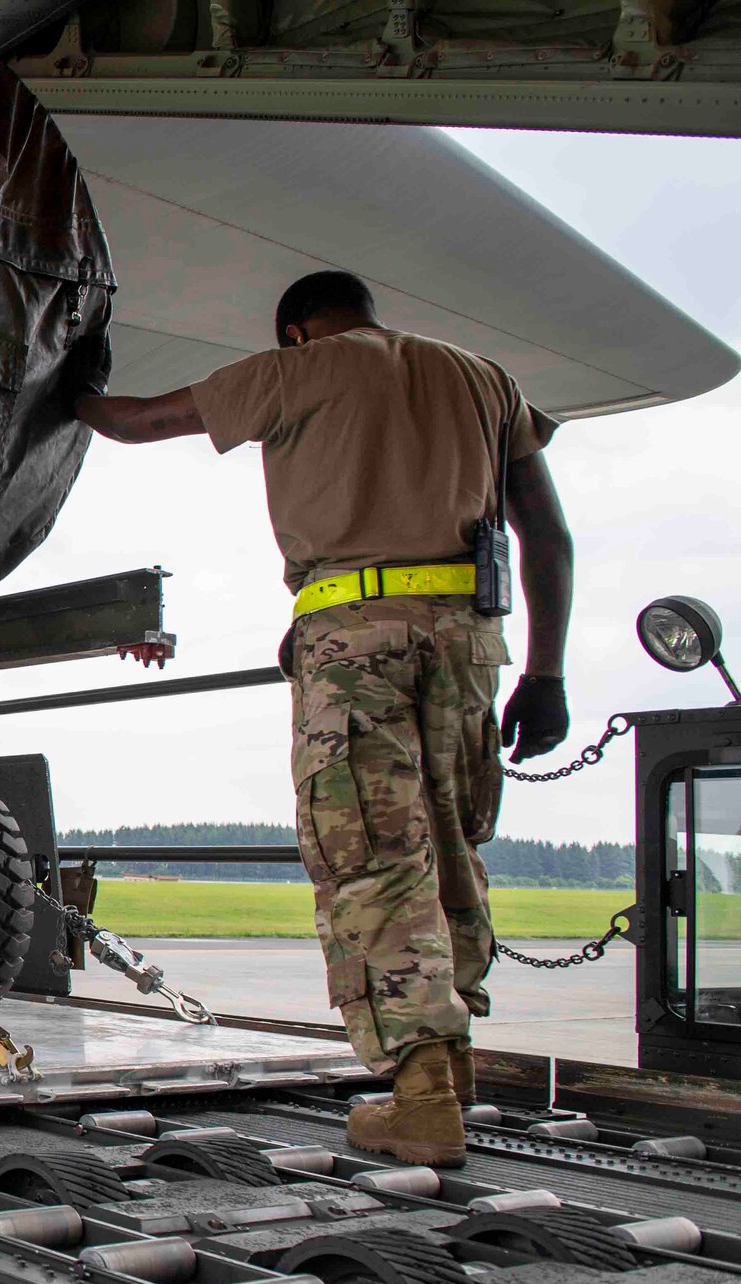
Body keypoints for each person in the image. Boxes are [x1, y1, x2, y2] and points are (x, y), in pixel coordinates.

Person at [74, 271, 574, 1168]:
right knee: (451, 843)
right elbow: (549, 534)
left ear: (296, 331)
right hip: (470, 639)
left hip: (354, 640)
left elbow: (137, 420)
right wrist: (547, 672)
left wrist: (60, 383)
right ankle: (452, 1062)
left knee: (373, 852)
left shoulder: (295, 373)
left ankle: (420, 1093)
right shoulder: (485, 379)